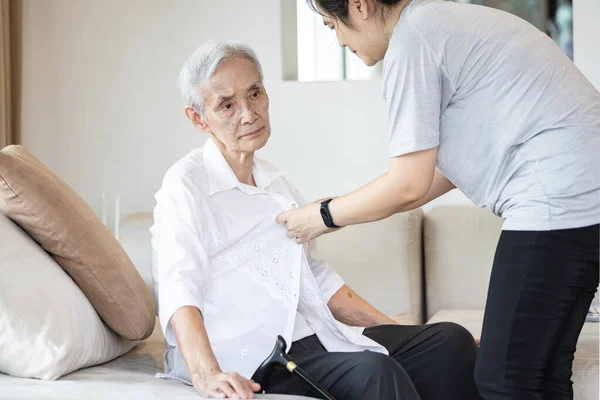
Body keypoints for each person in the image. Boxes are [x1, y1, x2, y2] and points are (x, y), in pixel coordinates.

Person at [277, 0, 600, 399]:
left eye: (332, 26)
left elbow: (408, 184)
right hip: (585, 206)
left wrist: (324, 216)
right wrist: (341, 206)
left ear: (359, 6)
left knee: (502, 380)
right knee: (542, 376)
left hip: (555, 200)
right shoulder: (440, 23)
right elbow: (434, 176)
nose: (340, 41)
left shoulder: (413, 40)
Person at [150, 40, 480, 400]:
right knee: (374, 372)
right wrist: (207, 374)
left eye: (255, 94)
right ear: (199, 118)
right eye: (227, 106)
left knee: (449, 342)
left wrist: (404, 335)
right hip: (254, 357)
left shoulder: (276, 181)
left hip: (312, 337)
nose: (248, 113)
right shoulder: (186, 185)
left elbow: (318, 280)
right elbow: (177, 287)